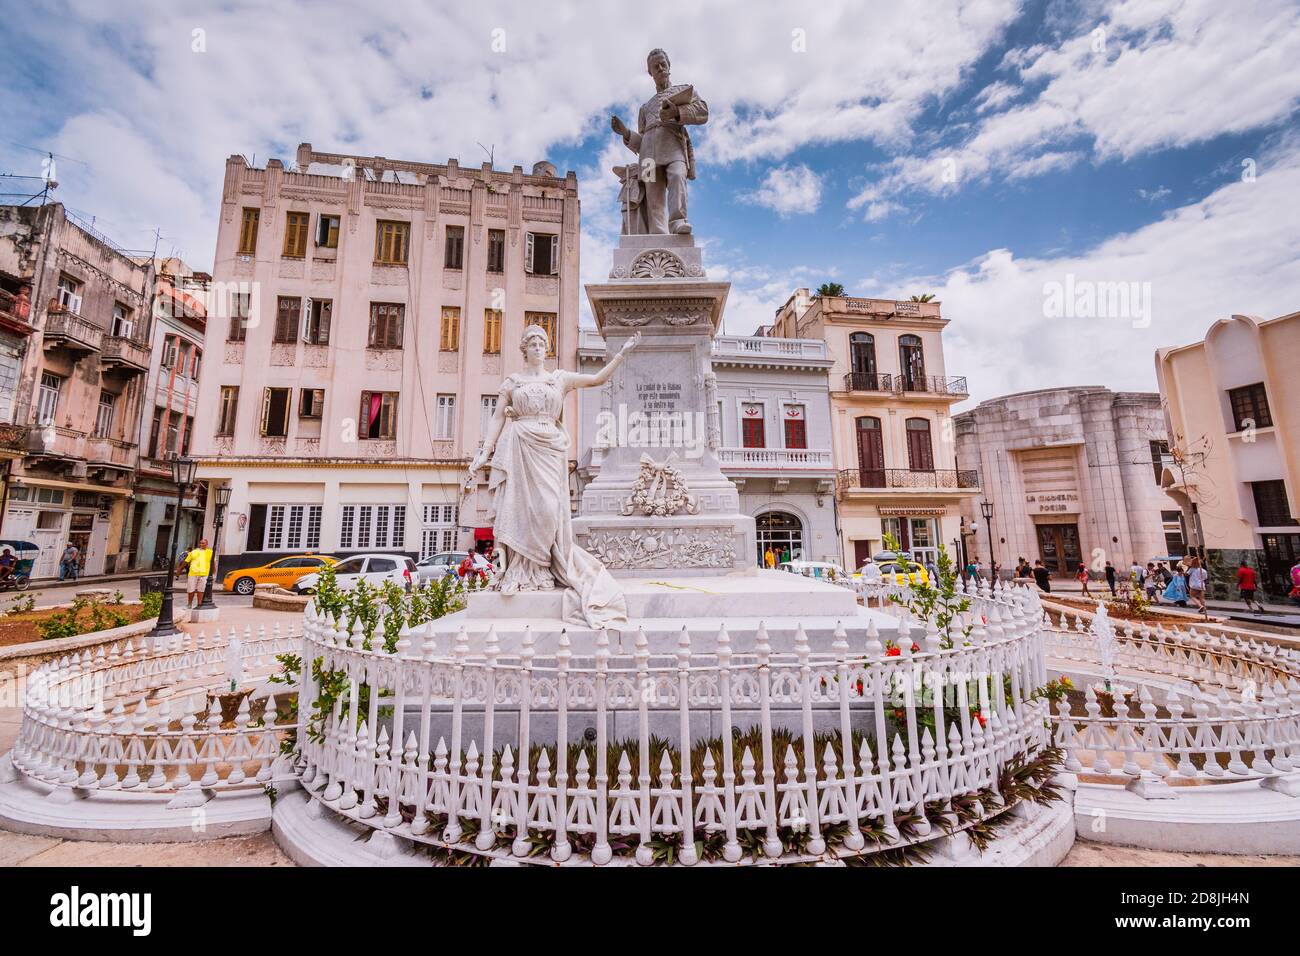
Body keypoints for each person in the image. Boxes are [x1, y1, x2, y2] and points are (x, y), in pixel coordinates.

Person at [466, 325, 634, 628]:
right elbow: (495, 418)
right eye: (533, 343)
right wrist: (484, 452)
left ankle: (544, 566)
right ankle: (526, 571)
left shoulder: (560, 379)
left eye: (543, 343)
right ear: (524, 349)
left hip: (549, 449)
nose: (539, 347)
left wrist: (620, 356)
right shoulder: (513, 382)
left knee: (548, 510)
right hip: (519, 445)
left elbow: (597, 378)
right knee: (520, 509)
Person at [610, 49, 709, 236]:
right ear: (650, 73)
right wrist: (625, 132)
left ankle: (678, 222)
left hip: (674, 146)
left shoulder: (684, 91)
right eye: (656, 67)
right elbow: (642, 142)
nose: (661, 68)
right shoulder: (645, 108)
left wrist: (677, 113)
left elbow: (703, 111)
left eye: (663, 64)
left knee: (678, 176)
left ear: (669, 66)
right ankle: (657, 233)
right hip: (647, 154)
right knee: (652, 196)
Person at [181, 538, 213, 609]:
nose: (201, 544)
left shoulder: (210, 552)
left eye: (203, 543)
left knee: (201, 590)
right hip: (193, 573)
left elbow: (213, 563)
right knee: (190, 589)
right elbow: (186, 561)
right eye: (200, 543)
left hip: (204, 573)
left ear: (207, 544)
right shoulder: (194, 552)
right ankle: (189, 604)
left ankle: (199, 604)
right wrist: (180, 569)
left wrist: (213, 572)